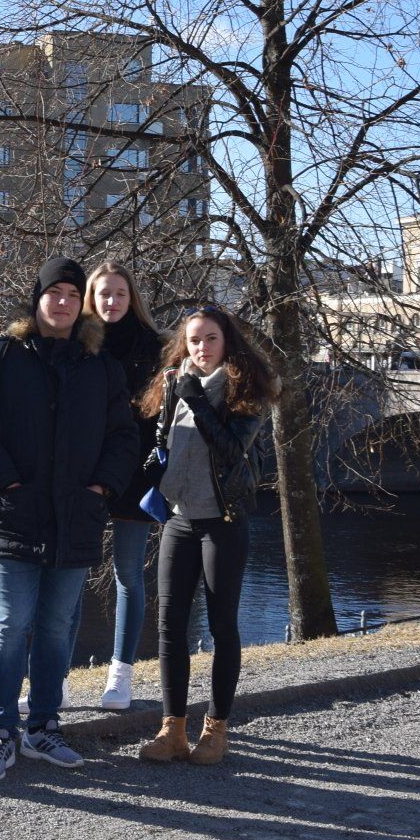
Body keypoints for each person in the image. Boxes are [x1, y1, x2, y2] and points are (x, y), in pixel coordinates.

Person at [0, 256, 140, 781]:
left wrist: (101, 488)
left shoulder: (101, 367)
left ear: (82, 304)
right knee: (11, 625)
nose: (62, 302)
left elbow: (123, 437)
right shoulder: (0, 356)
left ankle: (43, 727)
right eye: (53, 292)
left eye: (72, 294)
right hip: (14, 515)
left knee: (57, 628)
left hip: (76, 516)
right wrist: (7, 482)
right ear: (36, 299)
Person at [136, 304, 277, 766]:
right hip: (179, 518)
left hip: (223, 520)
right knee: (170, 626)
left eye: (210, 338)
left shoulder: (246, 389)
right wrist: (154, 461)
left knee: (222, 625)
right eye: (194, 340)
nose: (201, 347)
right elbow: (163, 440)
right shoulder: (175, 382)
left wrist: (195, 399)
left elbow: (232, 450)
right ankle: (172, 729)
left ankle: (216, 729)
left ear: (226, 341)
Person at [74, 261, 166, 710]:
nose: (111, 301)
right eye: (103, 293)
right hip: (83, 474)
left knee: (128, 573)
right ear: (91, 298)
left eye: (120, 294)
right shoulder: (77, 342)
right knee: (70, 574)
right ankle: (57, 676)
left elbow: (161, 414)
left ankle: (120, 676)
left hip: (133, 472)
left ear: (133, 299)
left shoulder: (156, 346)